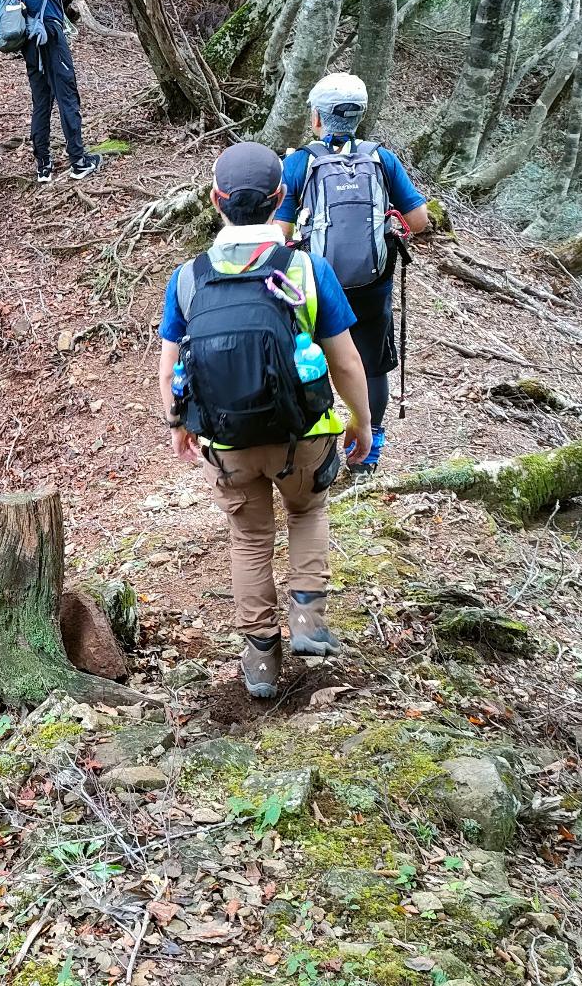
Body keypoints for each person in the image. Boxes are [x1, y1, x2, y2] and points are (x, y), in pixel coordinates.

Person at [157, 142, 373, 700]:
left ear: (215, 200)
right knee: (307, 508)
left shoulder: (188, 277)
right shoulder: (305, 267)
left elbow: (170, 369)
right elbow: (347, 361)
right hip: (301, 437)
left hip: (226, 442)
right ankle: (309, 619)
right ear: (281, 199)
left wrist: (179, 424)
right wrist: (360, 423)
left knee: (249, 536)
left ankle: (260, 660)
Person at [274, 72, 430, 474]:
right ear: (359, 115)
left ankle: (313, 450)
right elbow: (420, 220)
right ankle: (368, 454)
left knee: (308, 358)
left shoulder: (300, 162)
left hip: (314, 281)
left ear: (317, 117)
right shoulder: (382, 159)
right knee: (371, 365)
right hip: (371, 282)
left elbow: (280, 233)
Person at [20, 0, 104, 184]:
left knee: (42, 99)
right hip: (49, 35)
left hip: (34, 38)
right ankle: (79, 161)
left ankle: (43, 166)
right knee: (67, 93)